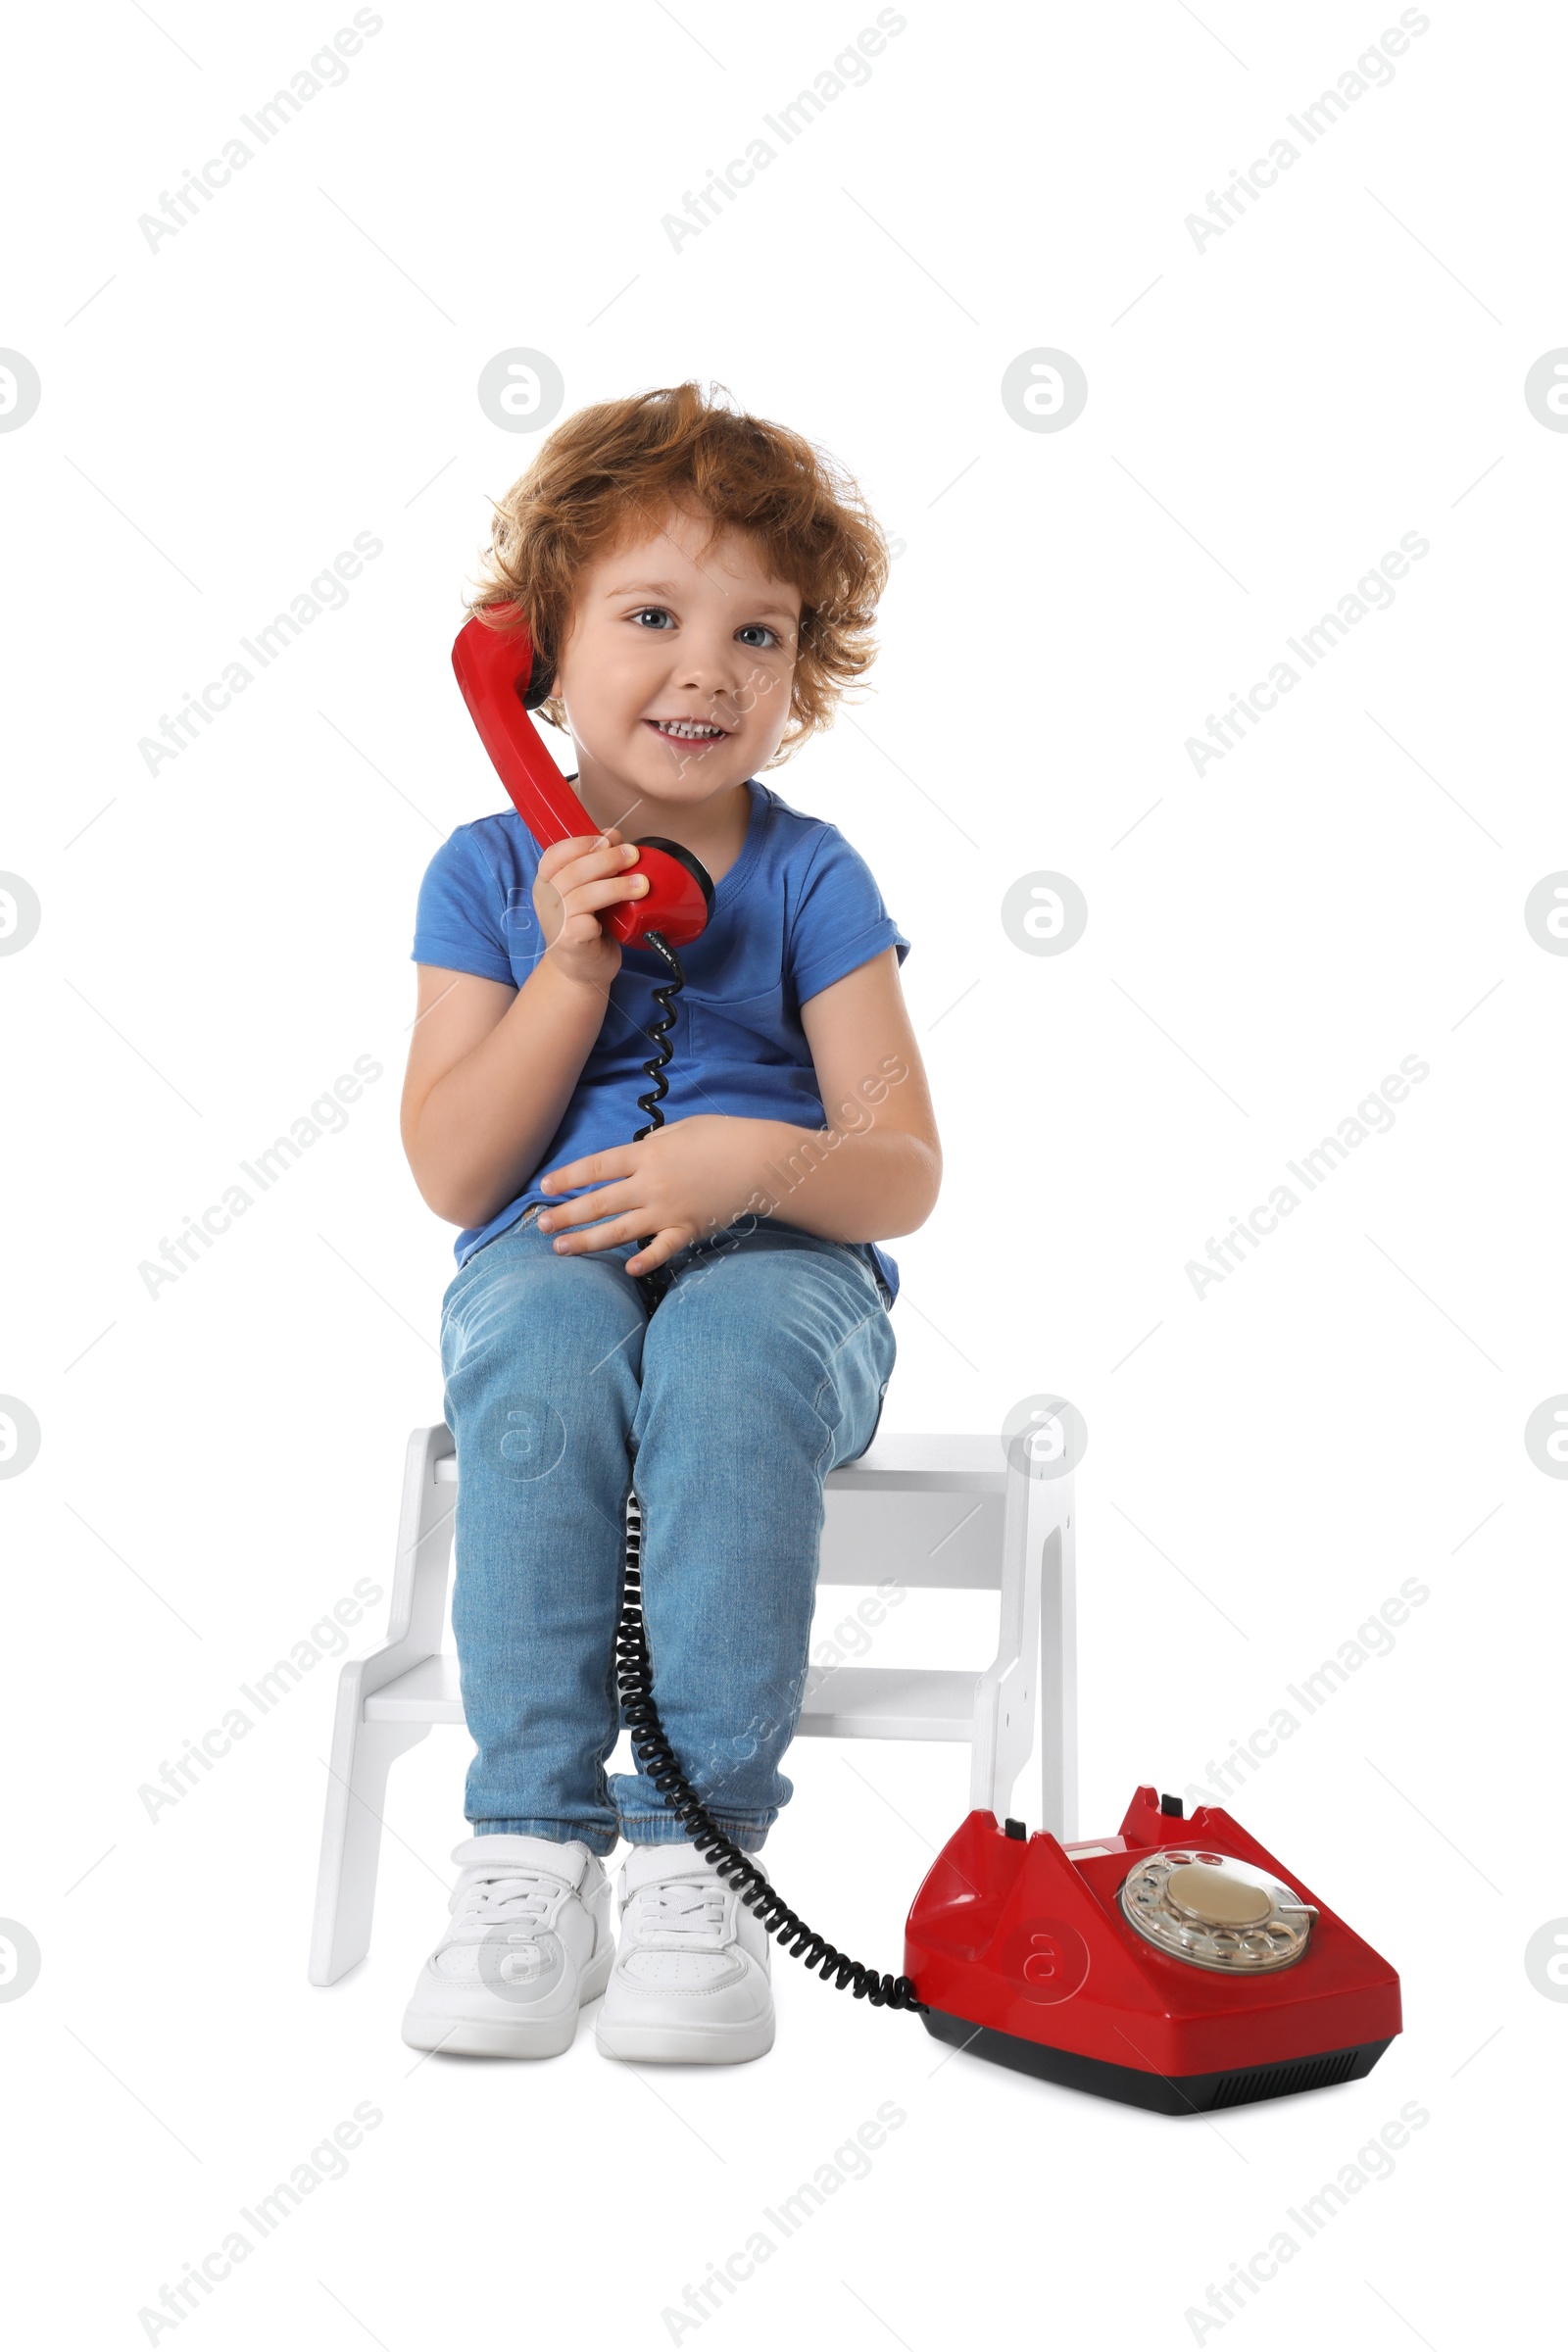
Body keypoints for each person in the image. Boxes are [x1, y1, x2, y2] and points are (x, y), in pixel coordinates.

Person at [398, 379, 941, 2064]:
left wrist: (736, 1165)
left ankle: (696, 1859)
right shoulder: (486, 876)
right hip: (549, 1260)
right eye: (650, 616)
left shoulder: (809, 877)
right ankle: (528, 1845)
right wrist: (571, 966)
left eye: (758, 634)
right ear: (531, 663)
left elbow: (902, 1164)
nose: (706, 667)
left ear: (798, 678)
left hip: (786, 1282)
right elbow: (455, 1176)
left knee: (720, 1349)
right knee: (550, 1344)